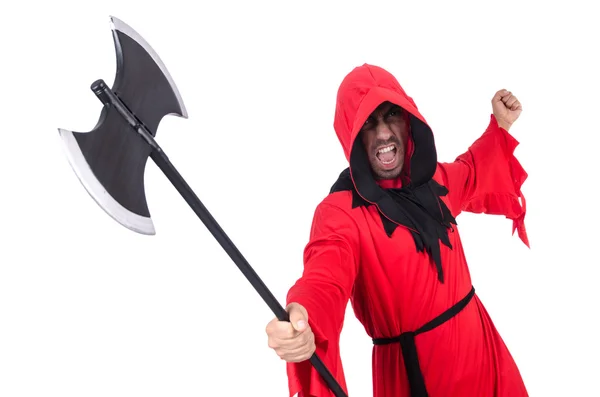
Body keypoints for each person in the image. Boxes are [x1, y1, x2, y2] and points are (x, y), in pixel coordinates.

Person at [265, 64, 530, 397]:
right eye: (368, 123)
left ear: (408, 121)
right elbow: (324, 278)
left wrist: (501, 123)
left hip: (484, 357)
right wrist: (302, 316)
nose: (384, 133)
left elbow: (474, 168)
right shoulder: (340, 213)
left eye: (391, 115)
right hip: (417, 377)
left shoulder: (434, 181)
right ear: (352, 135)